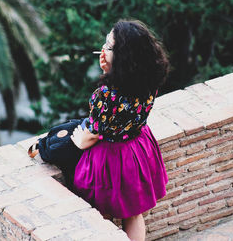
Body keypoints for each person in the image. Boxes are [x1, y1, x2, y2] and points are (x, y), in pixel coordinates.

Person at [70, 20, 170, 241]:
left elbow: (92, 134)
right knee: (134, 215)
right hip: (138, 151)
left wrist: (77, 141)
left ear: (124, 55)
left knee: (102, 217)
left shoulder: (104, 95)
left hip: (110, 160)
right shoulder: (149, 79)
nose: (103, 49)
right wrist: (110, 70)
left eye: (109, 45)